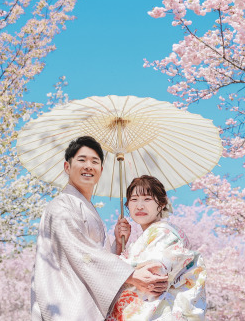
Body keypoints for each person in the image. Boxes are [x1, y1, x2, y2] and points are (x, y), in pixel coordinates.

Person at [31, 136, 168, 321]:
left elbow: (94, 256)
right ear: (67, 167)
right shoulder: (60, 207)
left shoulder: (85, 208)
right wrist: (131, 274)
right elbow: (81, 253)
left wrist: (118, 246)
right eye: (81, 160)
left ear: (101, 170)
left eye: (94, 161)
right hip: (68, 305)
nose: (88, 166)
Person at [107, 175, 207, 321]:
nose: (139, 205)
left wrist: (109, 264)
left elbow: (154, 271)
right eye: (134, 200)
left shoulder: (165, 232)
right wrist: (120, 243)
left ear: (160, 204)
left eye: (147, 199)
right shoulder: (146, 237)